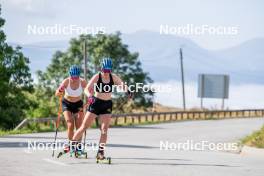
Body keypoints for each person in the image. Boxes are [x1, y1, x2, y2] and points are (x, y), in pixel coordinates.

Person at [71, 58, 133, 160]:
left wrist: (128, 91)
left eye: (109, 70)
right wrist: (90, 96)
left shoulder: (113, 77)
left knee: (104, 130)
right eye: (105, 70)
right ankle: (72, 144)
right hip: (96, 103)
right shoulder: (97, 76)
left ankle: (100, 152)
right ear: (101, 69)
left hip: (107, 105)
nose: (106, 73)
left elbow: (122, 85)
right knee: (84, 127)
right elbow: (87, 89)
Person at [55, 65, 87, 148]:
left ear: (79, 76)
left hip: (78, 104)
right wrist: (59, 90)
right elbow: (57, 93)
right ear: (70, 75)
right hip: (67, 104)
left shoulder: (82, 82)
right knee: (70, 124)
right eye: (72, 76)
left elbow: (88, 90)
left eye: (76, 77)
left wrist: (91, 96)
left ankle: (79, 145)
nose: (74, 79)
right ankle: (71, 144)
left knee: (79, 126)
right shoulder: (66, 81)